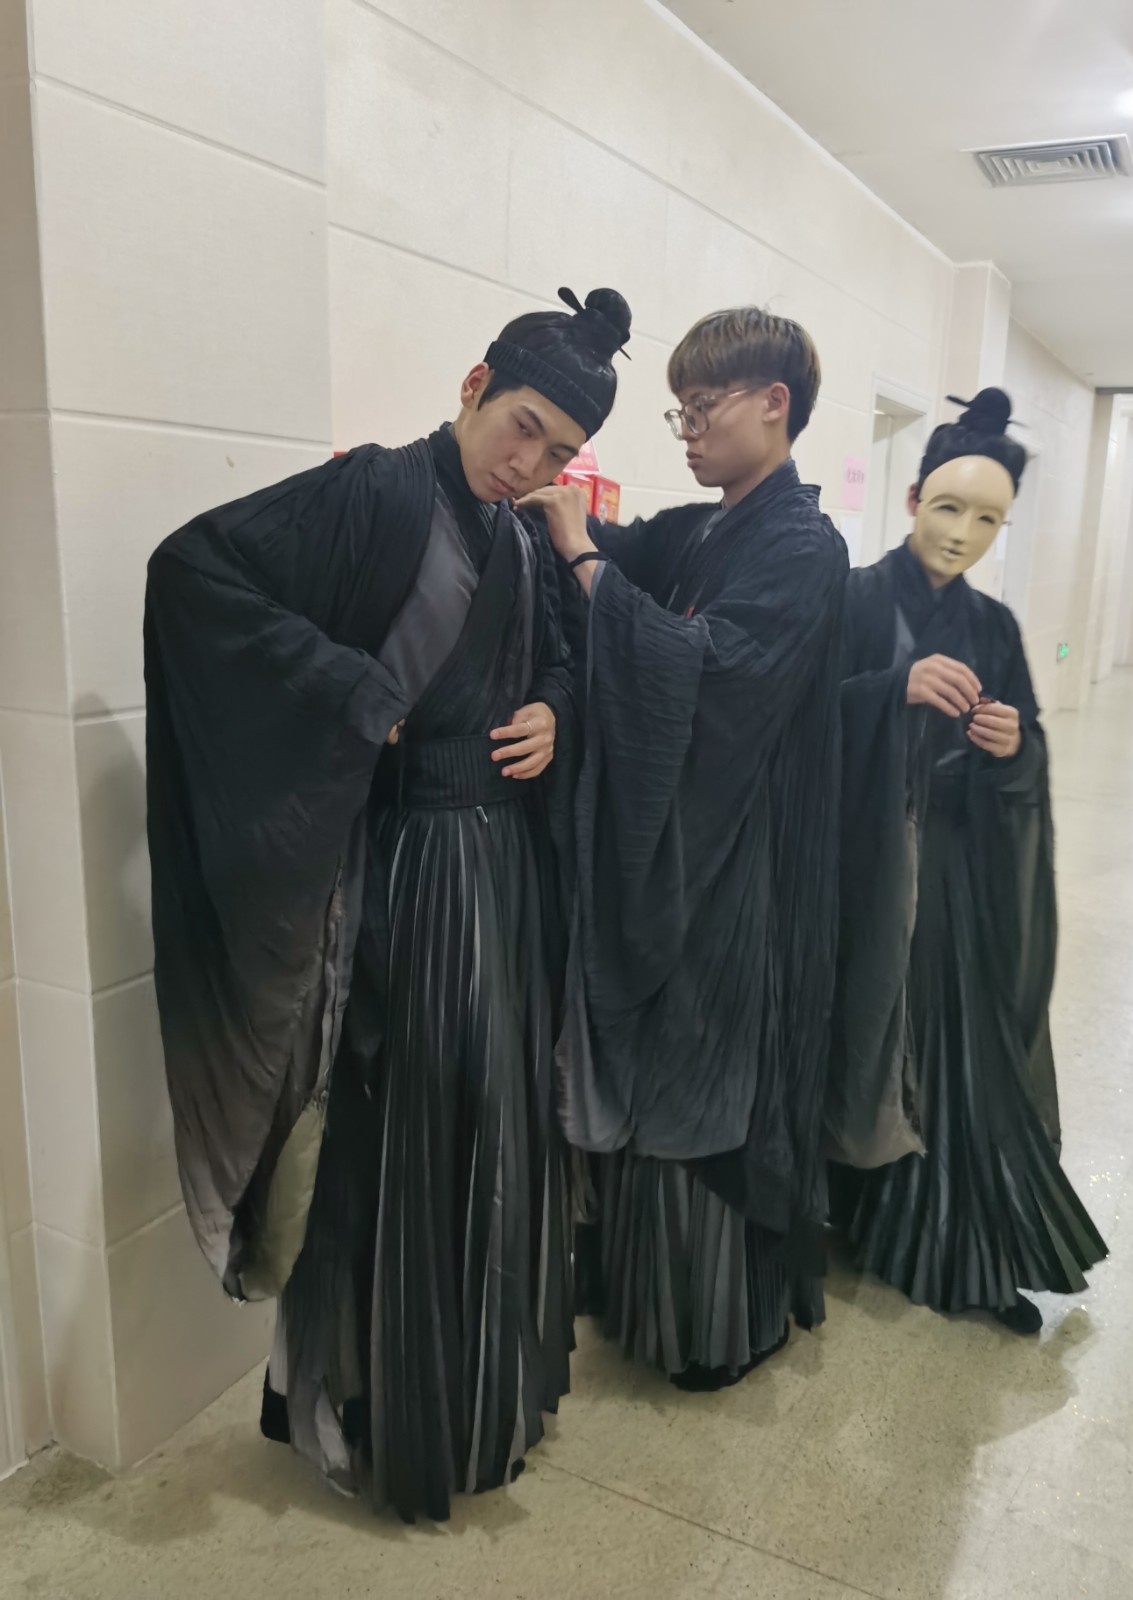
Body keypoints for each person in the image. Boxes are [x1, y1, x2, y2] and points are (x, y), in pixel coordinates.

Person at [144, 286, 633, 1520]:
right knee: (404, 1132)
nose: (531, 463)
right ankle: (386, 1413)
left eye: (560, 451)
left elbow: (561, 656)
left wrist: (555, 709)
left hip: (504, 873)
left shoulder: (522, 535)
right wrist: (357, 692)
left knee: (494, 1124)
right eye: (523, 426)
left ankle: (475, 1398)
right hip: (407, 873)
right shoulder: (375, 490)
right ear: (474, 386)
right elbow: (195, 571)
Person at [522, 307, 848, 1389]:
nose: (688, 431)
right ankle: (643, 1296)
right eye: (681, 412)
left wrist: (582, 557)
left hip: (743, 858)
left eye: (702, 408)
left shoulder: (805, 546)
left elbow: (710, 667)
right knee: (664, 1055)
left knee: (709, 1066)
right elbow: (625, 558)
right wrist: (552, 508)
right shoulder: (703, 528)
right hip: (691, 842)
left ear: (775, 405)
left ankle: (715, 1324)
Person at [827, 388, 1107, 1335]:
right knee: (854, 1031)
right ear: (911, 499)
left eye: (989, 520)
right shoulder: (853, 600)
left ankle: (951, 1239)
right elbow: (792, 719)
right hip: (856, 863)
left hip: (948, 873)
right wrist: (891, 688)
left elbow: (1029, 750)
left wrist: (1011, 749)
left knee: (949, 1048)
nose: (963, 534)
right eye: (949, 507)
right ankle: (842, 1200)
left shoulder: (994, 627)